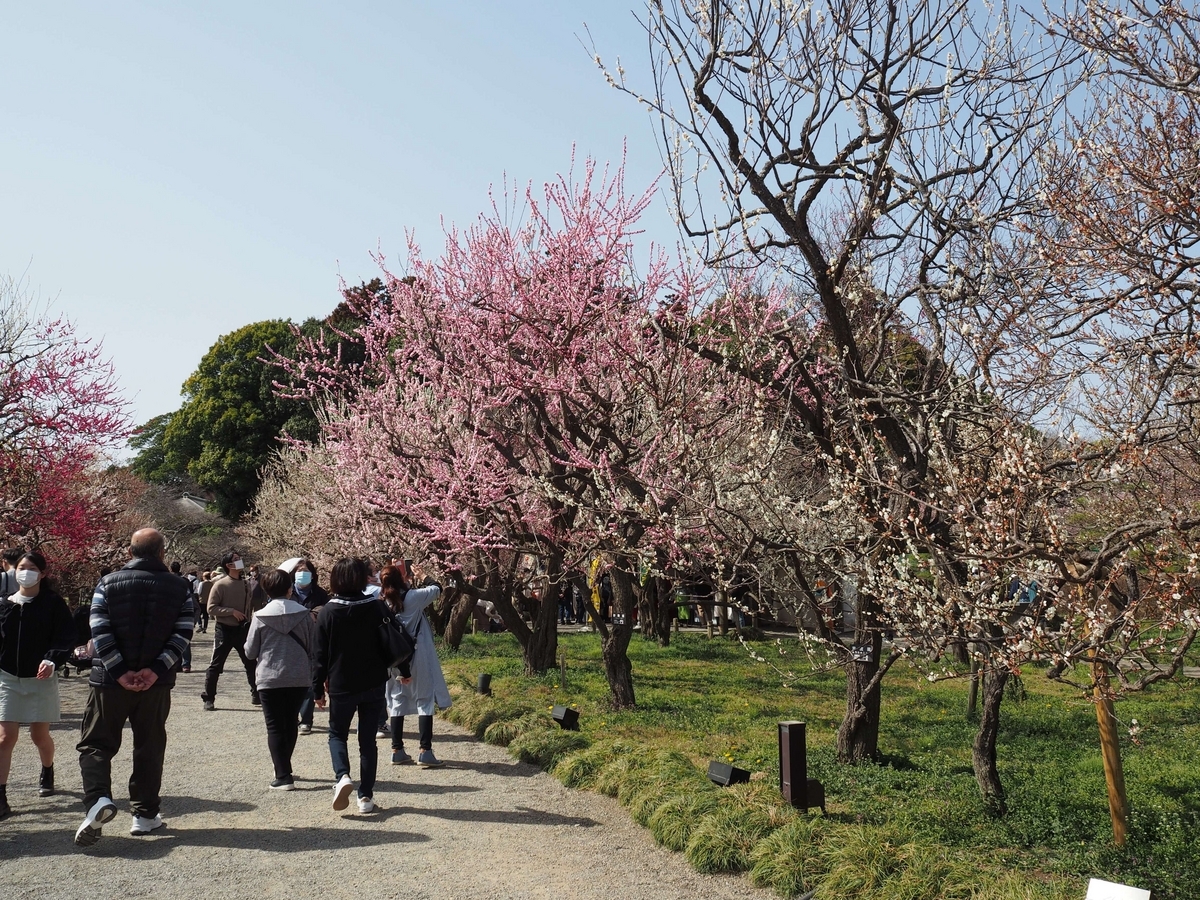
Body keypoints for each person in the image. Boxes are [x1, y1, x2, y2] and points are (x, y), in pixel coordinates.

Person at [74, 528, 193, 846]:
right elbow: (183, 632)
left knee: (96, 744)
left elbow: (99, 629)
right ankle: (144, 814)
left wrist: (120, 670)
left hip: (108, 681)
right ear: (162, 553)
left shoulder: (107, 583)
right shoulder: (180, 586)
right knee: (149, 745)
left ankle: (98, 800)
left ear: (130, 552)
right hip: (156, 685)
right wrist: (154, 671)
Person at [313, 557, 409, 814]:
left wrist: (317, 690)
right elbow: (394, 640)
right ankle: (365, 797)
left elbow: (319, 655)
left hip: (341, 683)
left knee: (337, 734)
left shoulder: (328, 612)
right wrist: (405, 670)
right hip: (373, 682)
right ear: (361, 578)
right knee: (368, 742)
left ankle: (342, 776)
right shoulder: (377, 608)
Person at [0, 551, 74, 819]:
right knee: (5, 738)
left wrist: (53, 660)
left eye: (32, 568)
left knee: (39, 736)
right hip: (7, 678)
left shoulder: (53, 604)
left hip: (41, 679)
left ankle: (47, 768)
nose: (25, 572)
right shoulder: (5, 604)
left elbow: (66, 636)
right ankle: (1, 797)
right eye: (21, 567)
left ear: (43, 573)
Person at [245, 569, 315, 790]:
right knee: (291, 722)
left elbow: (250, 651)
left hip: (269, 677)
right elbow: (313, 646)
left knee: (274, 726)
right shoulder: (305, 614)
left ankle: (282, 774)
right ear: (289, 588)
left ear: (266, 589)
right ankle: (285, 767)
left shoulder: (260, 616)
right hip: (299, 675)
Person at [382, 562, 450, 768]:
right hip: (418, 654)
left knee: (396, 700)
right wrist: (423, 576)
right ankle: (425, 750)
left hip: (393, 658)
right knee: (425, 699)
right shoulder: (414, 597)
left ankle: (397, 750)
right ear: (401, 579)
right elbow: (437, 588)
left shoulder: (382, 602)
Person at [200, 550, 260, 710]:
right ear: (228, 565)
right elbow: (211, 608)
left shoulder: (246, 583)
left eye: (239, 558)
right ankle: (209, 697)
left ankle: (256, 694)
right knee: (216, 665)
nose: (240, 560)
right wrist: (231, 612)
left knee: (251, 662)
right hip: (224, 629)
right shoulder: (220, 584)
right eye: (236, 559)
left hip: (243, 629)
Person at [289, 558, 329, 735]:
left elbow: (327, 612)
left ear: (312, 575)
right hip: (291, 640)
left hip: (313, 640)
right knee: (291, 680)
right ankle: (292, 717)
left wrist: (316, 612)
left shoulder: (320, 594)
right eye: (298, 571)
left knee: (310, 679)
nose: (302, 574)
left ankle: (306, 720)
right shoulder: (287, 593)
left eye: (305, 571)